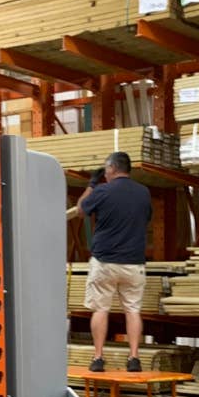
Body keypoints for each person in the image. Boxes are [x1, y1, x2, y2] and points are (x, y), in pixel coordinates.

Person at [76, 151, 152, 372]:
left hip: (105, 262)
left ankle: (98, 358)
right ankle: (134, 358)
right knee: (133, 310)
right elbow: (146, 218)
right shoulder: (143, 193)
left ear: (111, 169)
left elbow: (81, 210)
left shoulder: (102, 191)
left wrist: (91, 183)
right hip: (134, 263)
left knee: (100, 309)